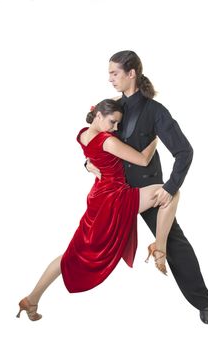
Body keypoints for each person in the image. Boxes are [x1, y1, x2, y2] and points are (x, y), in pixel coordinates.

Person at [16, 99, 180, 321]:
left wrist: (88, 164)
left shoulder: (83, 133)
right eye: (112, 123)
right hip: (114, 198)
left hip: (98, 197)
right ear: (99, 115)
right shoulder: (107, 141)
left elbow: (91, 155)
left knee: (71, 254)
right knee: (170, 192)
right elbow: (142, 160)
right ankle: (159, 248)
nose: (114, 129)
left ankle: (31, 299)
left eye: (117, 125)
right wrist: (156, 136)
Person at [86, 50, 208, 324]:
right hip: (112, 192)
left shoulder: (155, 111)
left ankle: (203, 302)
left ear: (131, 74)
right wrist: (87, 165)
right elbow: (93, 141)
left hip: (146, 191)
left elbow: (184, 151)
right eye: (109, 73)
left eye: (114, 73)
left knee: (176, 244)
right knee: (86, 242)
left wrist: (170, 187)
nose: (109, 78)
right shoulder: (110, 106)